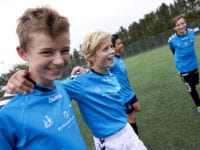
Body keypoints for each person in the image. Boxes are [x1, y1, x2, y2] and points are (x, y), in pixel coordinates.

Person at [6, 31, 147, 150]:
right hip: (110, 142)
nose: (111, 51)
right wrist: (21, 77)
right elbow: (50, 87)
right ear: (90, 57)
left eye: (111, 46)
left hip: (127, 130)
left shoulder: (110, 74)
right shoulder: (81, 82)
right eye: (105, 49)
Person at [0, 6, 87, 149]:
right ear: (23, 53)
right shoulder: (6, 113)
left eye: (64, 50)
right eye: (47, 52)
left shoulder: (60, 87)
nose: (59, 61)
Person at [168, 14, 200, 113]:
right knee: (191, 88)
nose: (181, 26)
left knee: (196, 82)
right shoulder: (171, 40)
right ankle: (198, 105)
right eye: (178, 25)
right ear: (174, 27)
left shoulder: (191, 33)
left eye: (182, 23)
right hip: (183, 68)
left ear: (185, 24)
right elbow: (173, 51)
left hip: (194, 64)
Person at [110, 34, 141, 135]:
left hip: (129, 92)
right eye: (119, 44)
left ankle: (122, 120)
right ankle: (134, 142)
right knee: (132, 118)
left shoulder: (119, 59)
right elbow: (102, 72)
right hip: (122, 95)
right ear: (113, 47)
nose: (122, 45)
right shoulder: (112, 61)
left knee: (137, 108)